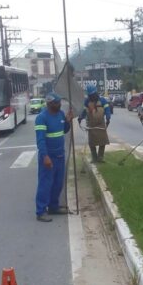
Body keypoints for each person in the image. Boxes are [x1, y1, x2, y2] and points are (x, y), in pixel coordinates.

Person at [34, 92, 74, 222]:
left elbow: (64, 130)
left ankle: (53, 206)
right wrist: (45, 156)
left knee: (58, 183)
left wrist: (68, 121)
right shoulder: (41, 118)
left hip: (60, 155)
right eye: (57, 103)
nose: (60, 105)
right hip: (48, 156)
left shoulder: (61, 114)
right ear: (50, 104)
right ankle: (41, 211)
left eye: (59, 102)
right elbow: (40, 140)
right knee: (45, 183)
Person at [78, 84, 111, 163]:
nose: (92, 96)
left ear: (96, 93)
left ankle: (100, 157)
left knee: (102, 142)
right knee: (92, 143)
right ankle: (94, 158)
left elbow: (107, 110)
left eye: (93, 94)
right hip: (91, 125)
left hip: (101, 124)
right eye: (90, 95)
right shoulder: (87, 102)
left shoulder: (103, 100)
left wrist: (108, 118)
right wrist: (80, 117)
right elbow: (84, 112)